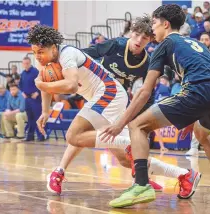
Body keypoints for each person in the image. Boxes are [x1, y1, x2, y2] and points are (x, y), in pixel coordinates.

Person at [27, 22, 198, 198]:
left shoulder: (67, 54)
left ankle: (60, 171)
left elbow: (69, 86)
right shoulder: (46, 60)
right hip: (107, 97)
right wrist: (45, 111)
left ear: (53, 48)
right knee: (126, 160)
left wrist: (41, 85)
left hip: (109, 93)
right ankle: (184, 174)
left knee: (73, 135)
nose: (37, 57)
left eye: (40, 52)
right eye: (34, 52)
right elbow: (47, 85)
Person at [101, 4, 210, 208]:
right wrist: (192, 114)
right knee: (202, 136)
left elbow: (145, 91)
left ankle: (141, 185)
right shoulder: (192, 41)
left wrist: (120, 123)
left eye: (154, 24)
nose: (152, 29)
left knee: (137, 126)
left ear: (165, 24)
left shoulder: (164, 44)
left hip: (197, 89)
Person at [19, 56, 44, 141]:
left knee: (38, 117)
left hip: (35, 99)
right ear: (22, 64)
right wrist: (22, 93)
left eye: (27, 63)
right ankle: (30, 136)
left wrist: (37, 92)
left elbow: (41, 83)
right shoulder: (22, 73)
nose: (26, 65)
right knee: (30, 118)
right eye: (24, 63)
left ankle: (41, 136)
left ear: (30, 63)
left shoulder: (35, 72)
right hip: (27, 99)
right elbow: (20, 85)